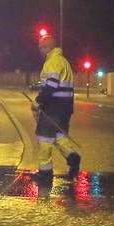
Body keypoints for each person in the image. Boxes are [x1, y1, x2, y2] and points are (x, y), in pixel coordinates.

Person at [31, 32, 80, 177]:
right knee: (59, 136)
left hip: (53, 107)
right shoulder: (64, 62)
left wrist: (38, 101)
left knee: (44, 138)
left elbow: (51, 85)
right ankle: (72, 157)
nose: (40, 50)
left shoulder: (52, 62)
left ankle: (45, 173)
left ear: (47, 47)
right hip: (65, 108)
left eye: (41, 47)